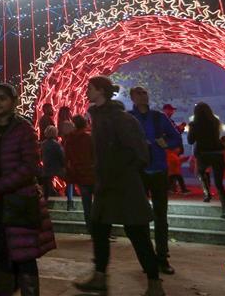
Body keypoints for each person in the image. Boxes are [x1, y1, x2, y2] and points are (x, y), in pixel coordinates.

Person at [74, 76, 164, 296]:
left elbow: (139, 153)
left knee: (138, 234)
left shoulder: (120, 119)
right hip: (106, 185)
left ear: (101, 91)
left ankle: (155, 283)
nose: (86, 91)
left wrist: (115, 170)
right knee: (98, 228)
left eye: (90, 88)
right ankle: (99, 277)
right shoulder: (98, 118)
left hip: (125, 185)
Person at [0, 83, 56, 296]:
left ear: (14, 101)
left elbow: (30, 167)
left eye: (3, 98)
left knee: (24, 256)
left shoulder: (23, 128)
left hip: (19, 201)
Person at [128, 86, 182, 275]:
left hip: (158, 169)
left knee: (161, 216)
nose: (143, 95)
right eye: (139, 93)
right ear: (132, 97)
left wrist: (165, 144)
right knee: (140, 217)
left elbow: (176, 138)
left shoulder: (159, 117)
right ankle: (147, 258)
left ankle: (162, 257)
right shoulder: (129, 118)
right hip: (138, 171)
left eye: (145, 92)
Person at [187, 103, 225, 219]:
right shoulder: (215, 122)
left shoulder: (194, 124)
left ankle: (207, 193)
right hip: (217, 153)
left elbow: (191, 141)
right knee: (219, 184)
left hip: (203, 154)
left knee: (201, 173)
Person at [63, 115, 95, 220]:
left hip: (80, 175)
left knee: (87, 205)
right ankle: (102, 231)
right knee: (100, 204)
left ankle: (91, 230)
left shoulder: (69, 141)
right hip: (92, 174)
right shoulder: (89, 138)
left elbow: (67, 158)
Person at [39, 125, 65, 201]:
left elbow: (40, 155)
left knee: (46, 184)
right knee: (69, 179)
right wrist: (64, 164)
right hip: (56, 167)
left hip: (46, 167)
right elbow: (61, 156)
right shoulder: (56, 144)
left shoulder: (43, 144)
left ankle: (46, 199)